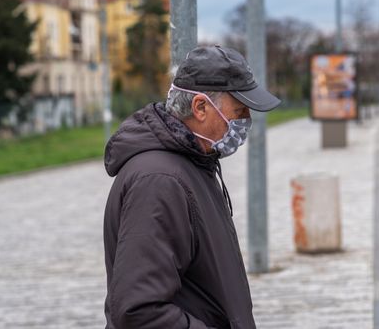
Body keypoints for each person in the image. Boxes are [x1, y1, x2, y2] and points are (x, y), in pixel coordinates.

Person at [103, 45, 281, 329]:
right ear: (200, 107)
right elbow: (140, 311)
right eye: (239, 111)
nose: (245, 121)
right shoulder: (160, 181)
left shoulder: (196, 163)